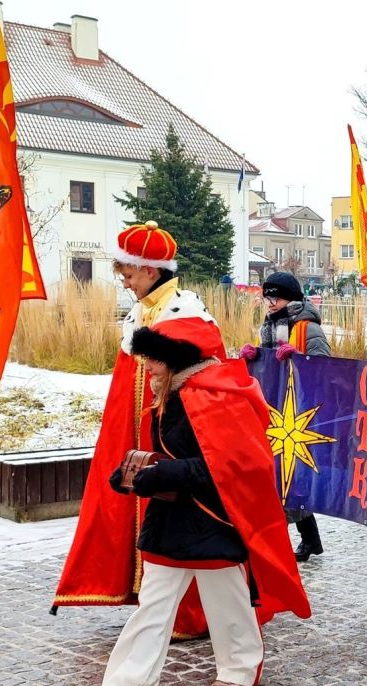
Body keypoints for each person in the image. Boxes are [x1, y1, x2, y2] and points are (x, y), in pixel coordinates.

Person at [76, 317, 310, 686]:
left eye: (153, 357)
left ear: (176, 358)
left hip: (216, 517)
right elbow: (174, 454)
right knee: (153, 606)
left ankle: (241, 667)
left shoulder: (218, 394)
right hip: (173, 518)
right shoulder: (170, 393)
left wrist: (168, 474)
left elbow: (234, 464)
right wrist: (135, 472)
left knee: (228, 601)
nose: (146, 365)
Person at [54, 222, 221, 640]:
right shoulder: (142, 312)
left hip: (173, 437)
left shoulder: (185, 311)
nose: (126, 283)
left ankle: (189, 614)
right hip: (138, 435)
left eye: (129, 275)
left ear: (150, 270)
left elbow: (204, 371)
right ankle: (150, 602)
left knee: (177, 518)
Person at [241, 271, 331, 563]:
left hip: (301, 411)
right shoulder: (268, 326)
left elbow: (326, 368)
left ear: (289, 298)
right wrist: (254, 357)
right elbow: (269, 369)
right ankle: (309, 539)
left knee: (292, 476)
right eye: (267, 297)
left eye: (275, 297)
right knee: (281, 474)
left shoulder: (308, 329)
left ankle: (280, 543)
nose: (269, 302)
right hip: (275, 409)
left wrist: (300, 359)